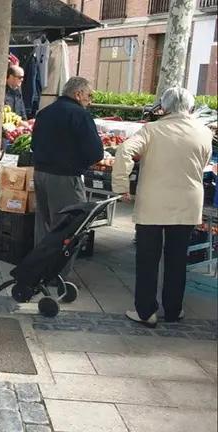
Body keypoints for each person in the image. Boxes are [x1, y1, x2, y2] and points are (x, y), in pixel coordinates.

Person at [112, 87, 212, 328]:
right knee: (177, 259)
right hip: (187, 204)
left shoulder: (152, 130)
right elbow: (205, 161)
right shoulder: (204, 132)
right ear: (190, 107)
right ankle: (174, 309)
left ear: (163, 108)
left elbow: (125, 150)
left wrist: (121, 185)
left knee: (147, 259)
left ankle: (146, 312)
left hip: (152, 204)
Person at [30, 76, 103, 281]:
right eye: (89, 95)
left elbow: (34, 144)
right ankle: (60, 276)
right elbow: (96, 152)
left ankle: (40, 270)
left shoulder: (45, 112)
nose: (90, 100)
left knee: (43, 227)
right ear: (78, 94)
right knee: (69, 227)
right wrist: (80, 163)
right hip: (65, 177)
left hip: (41, 174)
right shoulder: (80, 115)